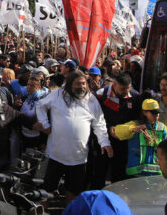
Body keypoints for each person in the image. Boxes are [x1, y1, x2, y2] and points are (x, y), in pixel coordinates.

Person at [36, 70, 113, 203]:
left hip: (78, 158)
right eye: (78, 84)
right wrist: (45, 124)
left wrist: (105, 142)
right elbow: (40, 106)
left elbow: (99, 123)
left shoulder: (91, 99)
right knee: (46, 192)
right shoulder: (57, 94)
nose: (82, 87)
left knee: (73, 193)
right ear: (70, 84)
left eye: (84, 84)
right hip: (55, 155)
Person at [92, 72, 142, 188]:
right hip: (102, 138)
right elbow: (94, 117)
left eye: (128, 88)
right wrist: (110, 129)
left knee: (119, 173)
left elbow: (138, 118)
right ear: (114, 85)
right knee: (99, 172)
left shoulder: (135, 97)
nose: (125, 92)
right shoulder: (100, 95)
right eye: (122, 89)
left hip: (124, 141)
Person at [113, 98, 167, 177]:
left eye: (158, 113)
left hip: (156, 174)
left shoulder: (163, 128)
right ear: (144, 112)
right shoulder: (135, 125)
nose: (157, 115)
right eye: (153, 113)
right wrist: (132, 129)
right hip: (136, 173)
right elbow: (117, 131)